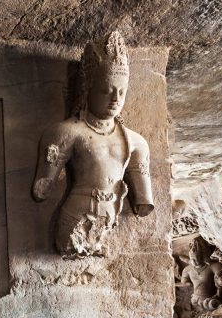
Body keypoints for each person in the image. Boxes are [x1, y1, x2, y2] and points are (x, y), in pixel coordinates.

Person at [32, 31, 154, 258]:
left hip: (108, 221)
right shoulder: (67, 132)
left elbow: (144, 203)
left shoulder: (136, 142)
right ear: (88, 89)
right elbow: (42, 190)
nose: (115, 99)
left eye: (122, 92)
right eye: (106, 90)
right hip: (75, 218)